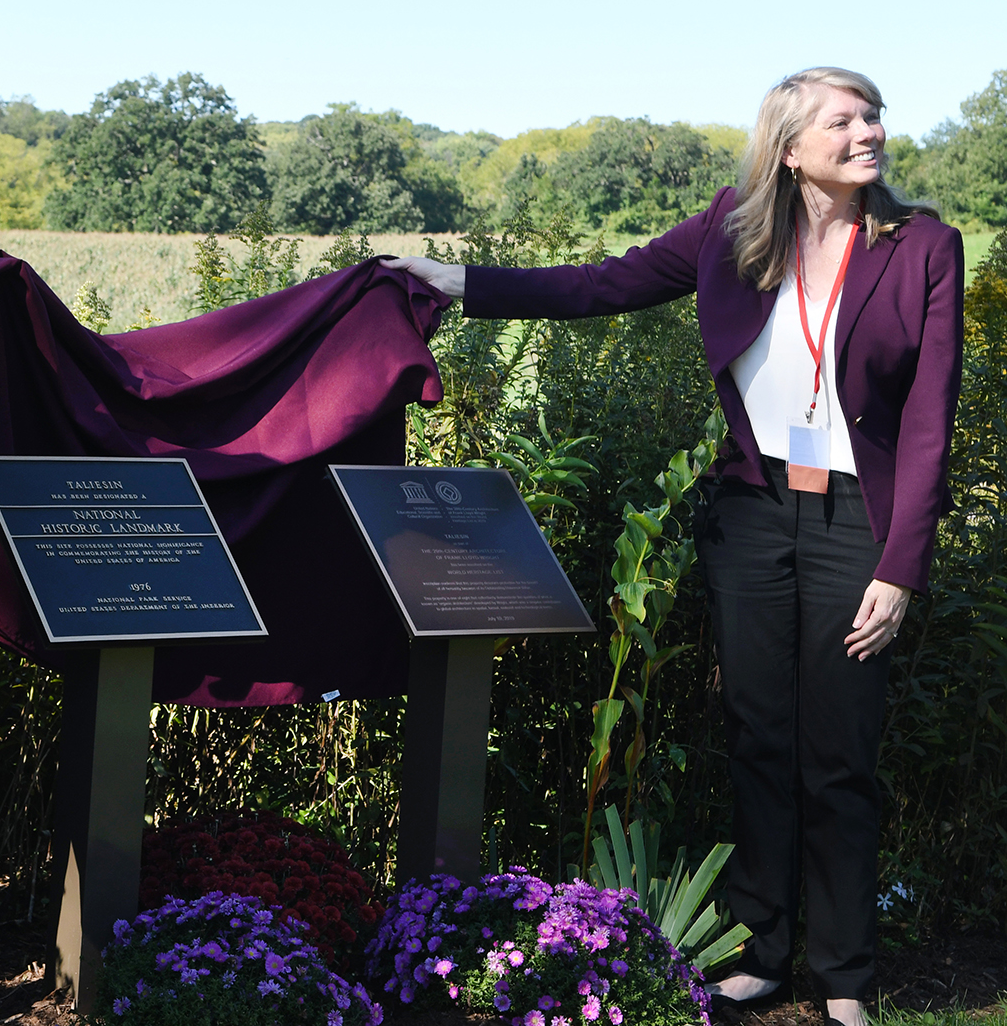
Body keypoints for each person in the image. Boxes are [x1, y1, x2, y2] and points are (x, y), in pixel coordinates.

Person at [386, 67, 962, 1026]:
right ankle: (766, 953)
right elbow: (602, 283)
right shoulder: (733, 227)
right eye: (844, 120)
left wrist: (899, 566)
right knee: (758, 737)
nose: (869, 132)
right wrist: (459, 285)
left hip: (859, 524)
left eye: (873, 117)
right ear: (789, 146)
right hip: (750, 514)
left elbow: (931, 424)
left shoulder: (922, 246)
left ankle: (848, 975)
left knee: (840, 753)